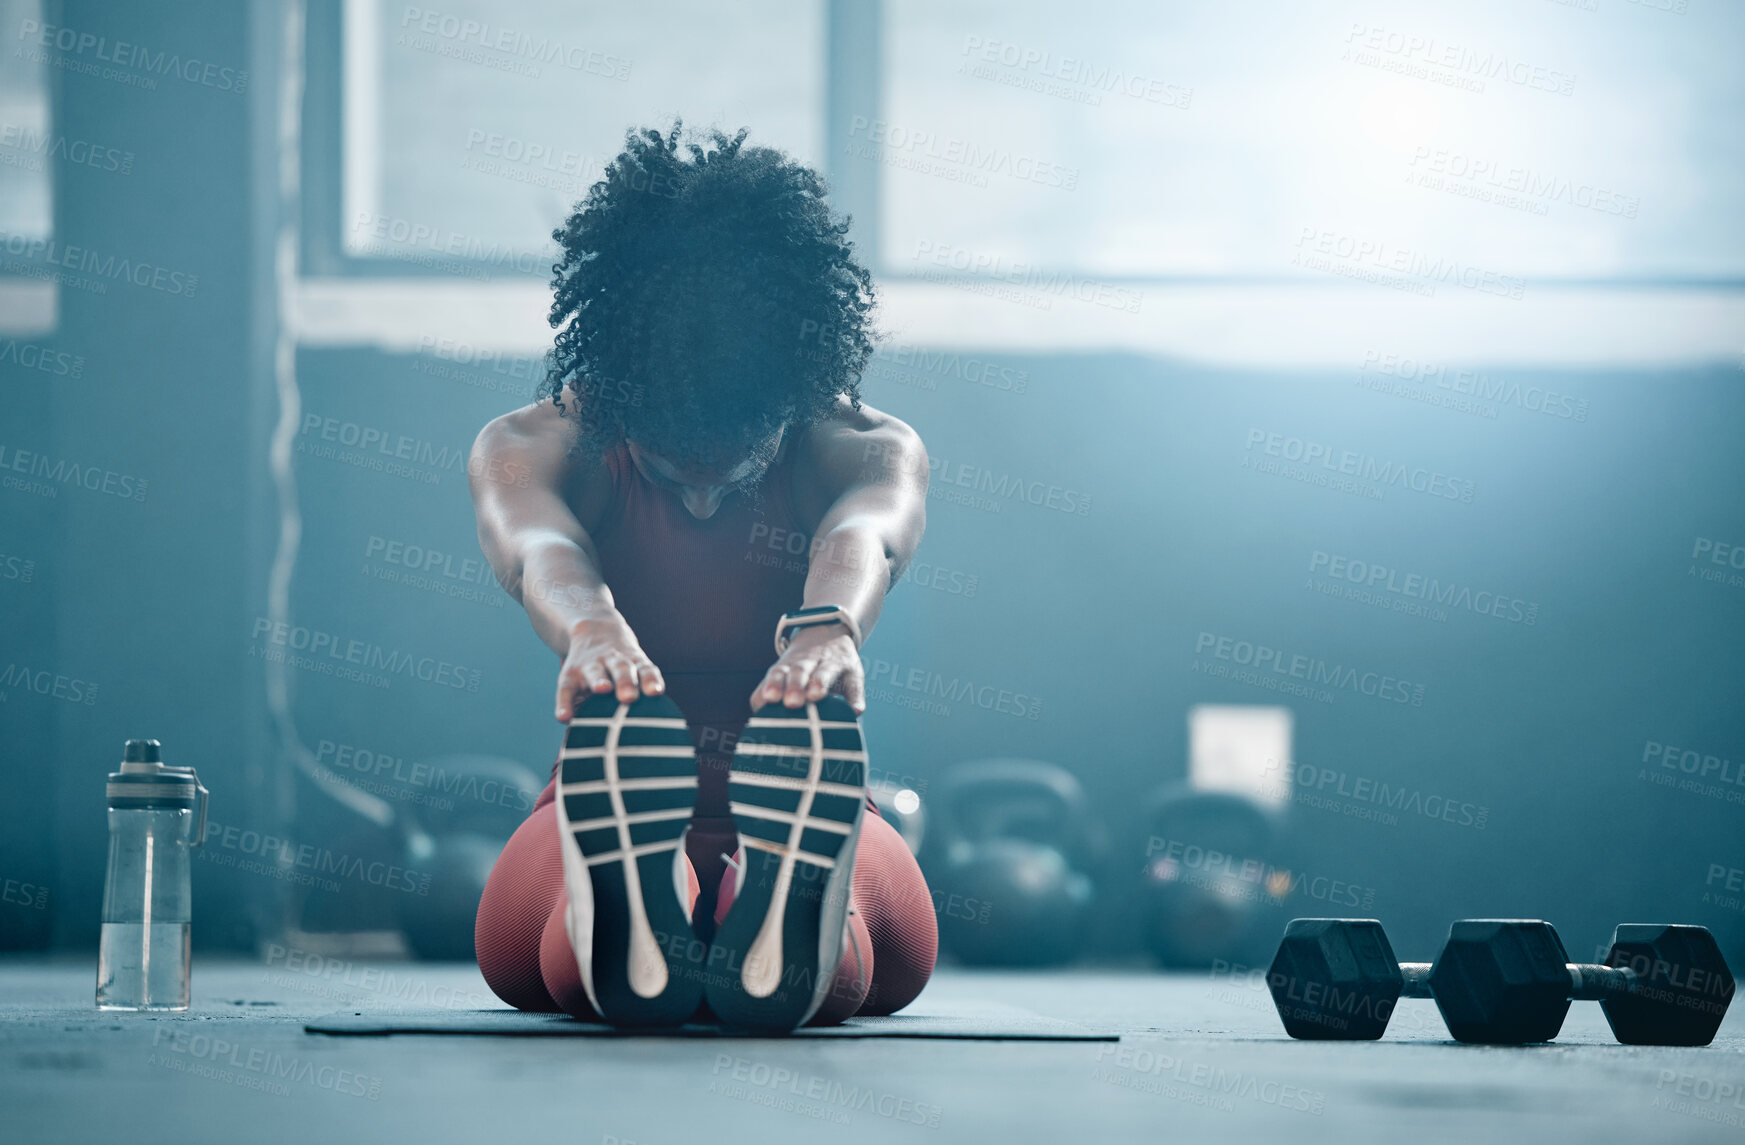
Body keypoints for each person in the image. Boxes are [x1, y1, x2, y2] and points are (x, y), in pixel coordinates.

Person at [469, 123, 937, 1029]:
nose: (700, 501)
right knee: (524, 964)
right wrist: (593, 625)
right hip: (609, 794)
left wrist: (827, 627)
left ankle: (718, 910)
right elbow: (539, 550)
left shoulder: (863, 447)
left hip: (806, 791)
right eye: (675, 468)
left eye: (737, 469)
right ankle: (662, 902)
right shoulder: (533, 446)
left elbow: (864, 532)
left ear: (791, 399)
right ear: (621, 394)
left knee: (889, 962)